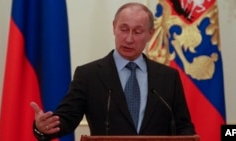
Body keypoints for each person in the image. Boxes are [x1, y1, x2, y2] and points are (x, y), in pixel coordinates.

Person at [31, 2, 196, 140]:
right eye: (123, 29)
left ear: (149, 34)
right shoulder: (89, 75)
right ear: (114, 27)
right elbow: (67, 119)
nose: (129, 39)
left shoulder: (168, 77)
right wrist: (42, 128)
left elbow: (183, 126)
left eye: (137, 32)